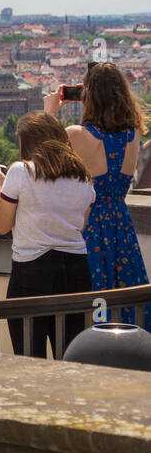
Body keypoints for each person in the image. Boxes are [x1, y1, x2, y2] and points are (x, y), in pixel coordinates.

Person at [46, 62, 150, 328]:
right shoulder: (133, 134)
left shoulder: (76, 135)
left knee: (89, 305)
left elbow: (43, 162)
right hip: (121, 222)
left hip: (89, 224)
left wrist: (50, 114)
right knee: (127, 301)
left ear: (88, 97)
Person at [0, 112, 93, 358]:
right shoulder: (84, 178)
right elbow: (80, 227)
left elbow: (1, 225)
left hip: (32, 274)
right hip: (76, 272)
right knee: (70, 358)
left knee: (30, 358)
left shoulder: (20, 172)